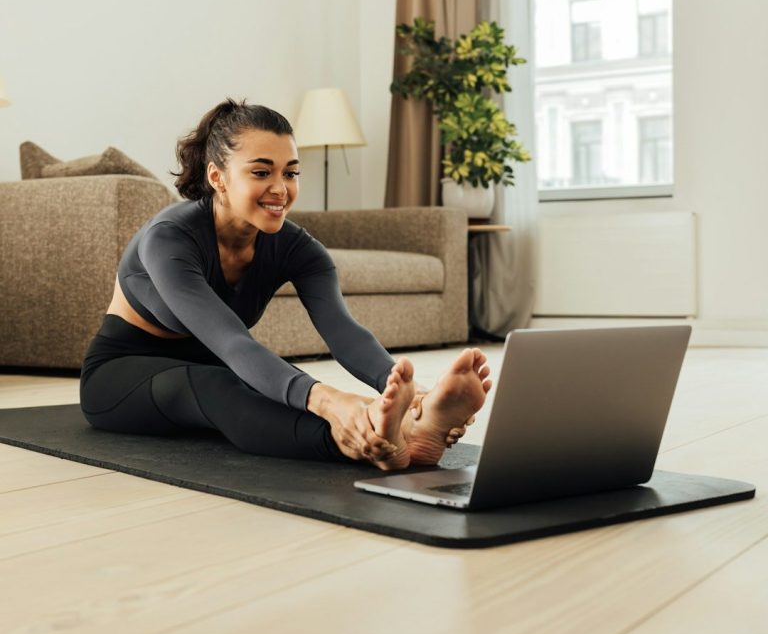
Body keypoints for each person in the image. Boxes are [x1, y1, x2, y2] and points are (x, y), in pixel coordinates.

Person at [79, 98, 492, 470]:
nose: (281, 188)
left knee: (275, 382)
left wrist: (409, 392)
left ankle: (409, 426)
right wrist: (329, 399)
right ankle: (367, 444)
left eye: (290, 173)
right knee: (228, 384)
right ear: (218, 176)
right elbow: (232, 343)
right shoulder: (169, 238)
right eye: (262, 172)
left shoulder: (299, 249)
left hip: (213, 363)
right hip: (122, 375)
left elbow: (345, 335)